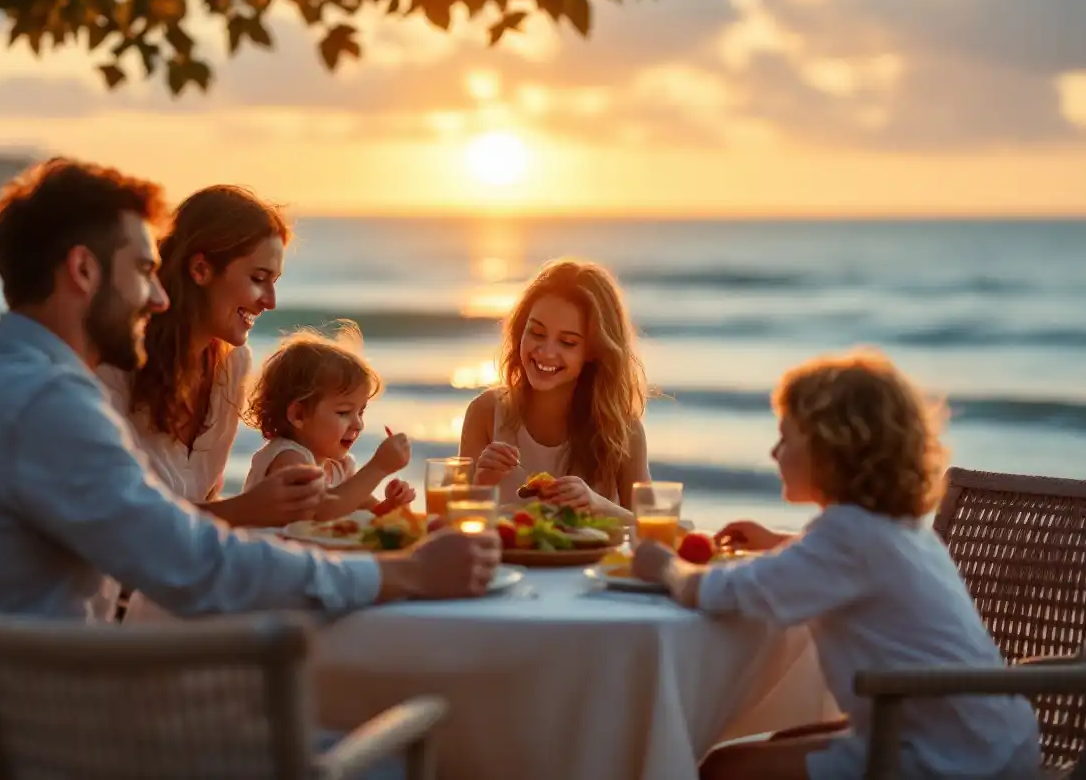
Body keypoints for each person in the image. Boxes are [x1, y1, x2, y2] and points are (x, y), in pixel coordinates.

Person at [0, 158, 501, 704]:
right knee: (402, 737)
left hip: (27, 700)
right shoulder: (44, 403)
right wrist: (404, 574)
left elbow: (174, 547)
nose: (157, 297)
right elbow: (192, 562)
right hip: (52, 729)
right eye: (144, 270)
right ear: (82, 271)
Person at [631, 349, 1041, 780]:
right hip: (985, 735)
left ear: (831, 450)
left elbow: (722, 593)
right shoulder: (895, 525)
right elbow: (856, 567)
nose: (773, 452)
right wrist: (781, 543)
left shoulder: (846, 534)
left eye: (786, 438)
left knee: (723, 768)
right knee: (778, 745)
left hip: (946, 755)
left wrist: (664, 566)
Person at [95, 184, 314, 526]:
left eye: (275, 281)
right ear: (200, 270)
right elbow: (110, 522)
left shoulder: (231, 366)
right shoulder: (115, 367)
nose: (270, 301)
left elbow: (204, 504)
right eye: (258, 278)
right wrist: (246, 509)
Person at [459, 259, 650, 520]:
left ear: (593, 351)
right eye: (536, 333)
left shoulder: (623, 430)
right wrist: (482, 483)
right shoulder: (486, 412)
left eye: (567, 342)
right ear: (520, 331)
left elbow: (654, 529)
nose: (546, 353)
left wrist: (598, 504)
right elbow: (452, 532)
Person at [242, 322, 416, 520]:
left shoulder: (339, 466)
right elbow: (319, 510)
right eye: (343, 412)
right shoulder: (287, 458)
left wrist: (392, 505)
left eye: (361, 412)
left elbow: (370, 514)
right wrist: (378, 468)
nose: (358, 424)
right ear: (298, 415)